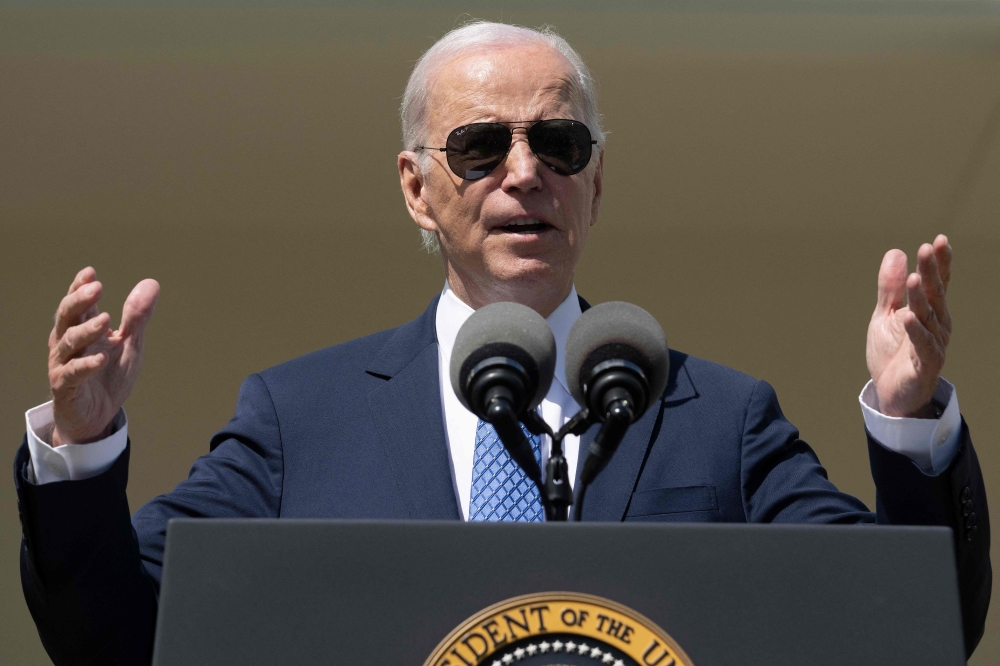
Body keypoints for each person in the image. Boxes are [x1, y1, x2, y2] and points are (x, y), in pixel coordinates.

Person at [13, 21, 990, 666]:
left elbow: (904, 630)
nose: (525, 173)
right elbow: (116, 636)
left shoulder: (720, 418)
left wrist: (908, 424)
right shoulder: (300, 417)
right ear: (415, 188)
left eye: (558, 145)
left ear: (595, 184)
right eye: (481, 147)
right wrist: (81, 452)